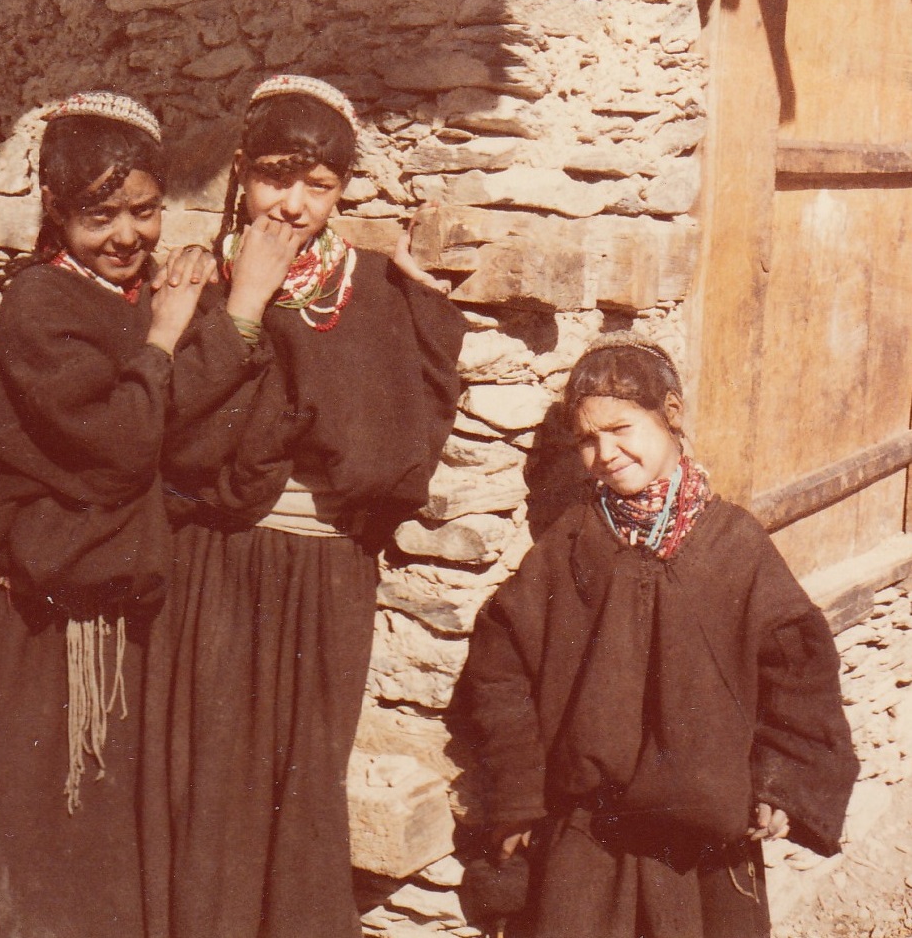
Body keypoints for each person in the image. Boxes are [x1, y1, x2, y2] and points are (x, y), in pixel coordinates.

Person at [139, 74, 469, 938]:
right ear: (240, 173)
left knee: (300, 775)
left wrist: (425, 302)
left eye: (316, 185)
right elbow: (166, 432)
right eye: (274, 178)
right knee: (204, 771)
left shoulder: (370, 290)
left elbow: (402, 441)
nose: (291, 204)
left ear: (341, 190)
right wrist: (243, 304)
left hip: (324, 574)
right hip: (213, 567)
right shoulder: (192, 283)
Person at [0, 91, 255, 938]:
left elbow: (177, 428)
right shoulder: (40, 302)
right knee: (38, 826)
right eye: (97, 216)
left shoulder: (137, 292)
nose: (126, 236)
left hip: (103, 610)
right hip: (24, 626)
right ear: (55, 215)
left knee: (95, 830)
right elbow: (117, 446)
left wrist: (190, 319)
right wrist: (167, 335)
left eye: (143, 210)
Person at [457, 331, 860, 938]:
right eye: (587, 440)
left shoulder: (736, 548)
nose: (606, 453)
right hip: (587, 841)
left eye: (621, 428)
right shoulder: (569, 546)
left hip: (704, 843)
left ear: (670, 416)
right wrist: (517, 792)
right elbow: (499, 668)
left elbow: (798, 671)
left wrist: (781, 782)